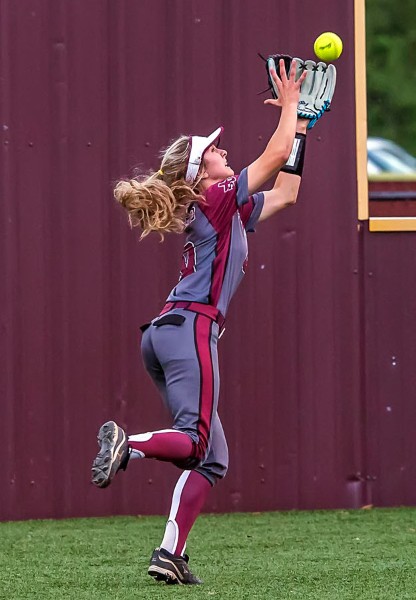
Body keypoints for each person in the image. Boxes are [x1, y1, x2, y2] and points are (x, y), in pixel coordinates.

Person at [91, 59, 309, 585]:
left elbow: (286, 192)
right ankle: (127, 444)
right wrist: (289, 108)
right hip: (190, 329)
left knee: (210, 457)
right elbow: (273, 155)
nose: (222, 151)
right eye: (213, 150)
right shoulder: (214, 198)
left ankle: (170, 554)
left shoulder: (224, 209)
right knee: (194, 440)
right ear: (199, 172)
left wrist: (300, 127)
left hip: (167, 334)